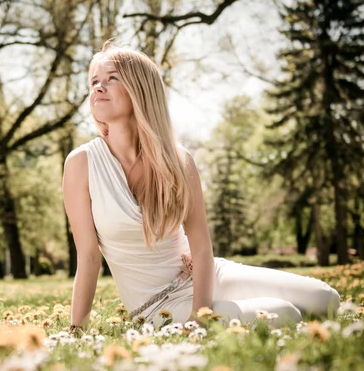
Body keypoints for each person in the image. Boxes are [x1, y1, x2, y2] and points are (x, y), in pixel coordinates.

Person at [62, 42, 341, 331]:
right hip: (159, 305)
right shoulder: (81, 164)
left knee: (326, 299)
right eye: (94, 81)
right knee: (285, 313)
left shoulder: (178, 160)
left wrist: (201, 312)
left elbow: (201, 243)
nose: (98, 87)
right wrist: (76, 329)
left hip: (207, 276)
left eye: (111, 78)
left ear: (140, 89)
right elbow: (89, 256)